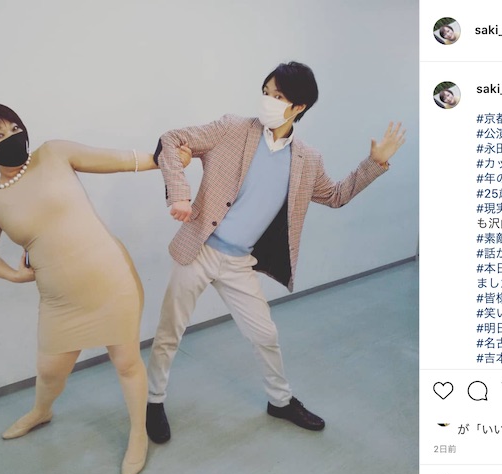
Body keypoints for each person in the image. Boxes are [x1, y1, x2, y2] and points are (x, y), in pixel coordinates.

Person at [146, 61, 406, 444]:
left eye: (278, 96)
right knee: (170, 331)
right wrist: (180, 195)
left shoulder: (308, 159)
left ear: (298, 107)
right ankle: (153, 401)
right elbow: (171, 139)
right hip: (199, 249)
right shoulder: (232, 128)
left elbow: (335, 196)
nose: (267, 100)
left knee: (265, 334)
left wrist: (375, 163)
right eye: (266, 92)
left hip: (239, 262)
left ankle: (280, 401)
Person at [0, 102, 190, 474]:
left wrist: (165, 161)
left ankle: (138, 434)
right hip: (60, 300)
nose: (12, 138)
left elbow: (121, 160)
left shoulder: (53, 154)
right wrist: (15, 276)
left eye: (14, 128)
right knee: (50, 370)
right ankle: (41, 411)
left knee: (126, 363)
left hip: (111, 281)